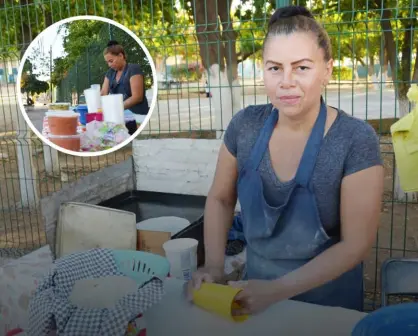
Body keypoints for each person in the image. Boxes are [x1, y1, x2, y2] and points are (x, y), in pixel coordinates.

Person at [187, 5, 384, 316]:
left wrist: (278, 291)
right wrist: (214, 266)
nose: (286, 81)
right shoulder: (245, 127)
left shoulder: (355, 140)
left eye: (302, 68)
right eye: (274, 68)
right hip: (253, 299)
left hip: (328, 309)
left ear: (327, 70)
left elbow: (356, 245)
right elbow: (221, 199)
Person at [100, 40, 149, 135]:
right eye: (107, 62)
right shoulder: (110, 73)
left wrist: (116, 108)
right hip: (119, 117)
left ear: (121, 56)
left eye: (111, 61)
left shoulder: (133, 69)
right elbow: (103, 93)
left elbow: (137, 97)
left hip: (137, 116)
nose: (109, 65)